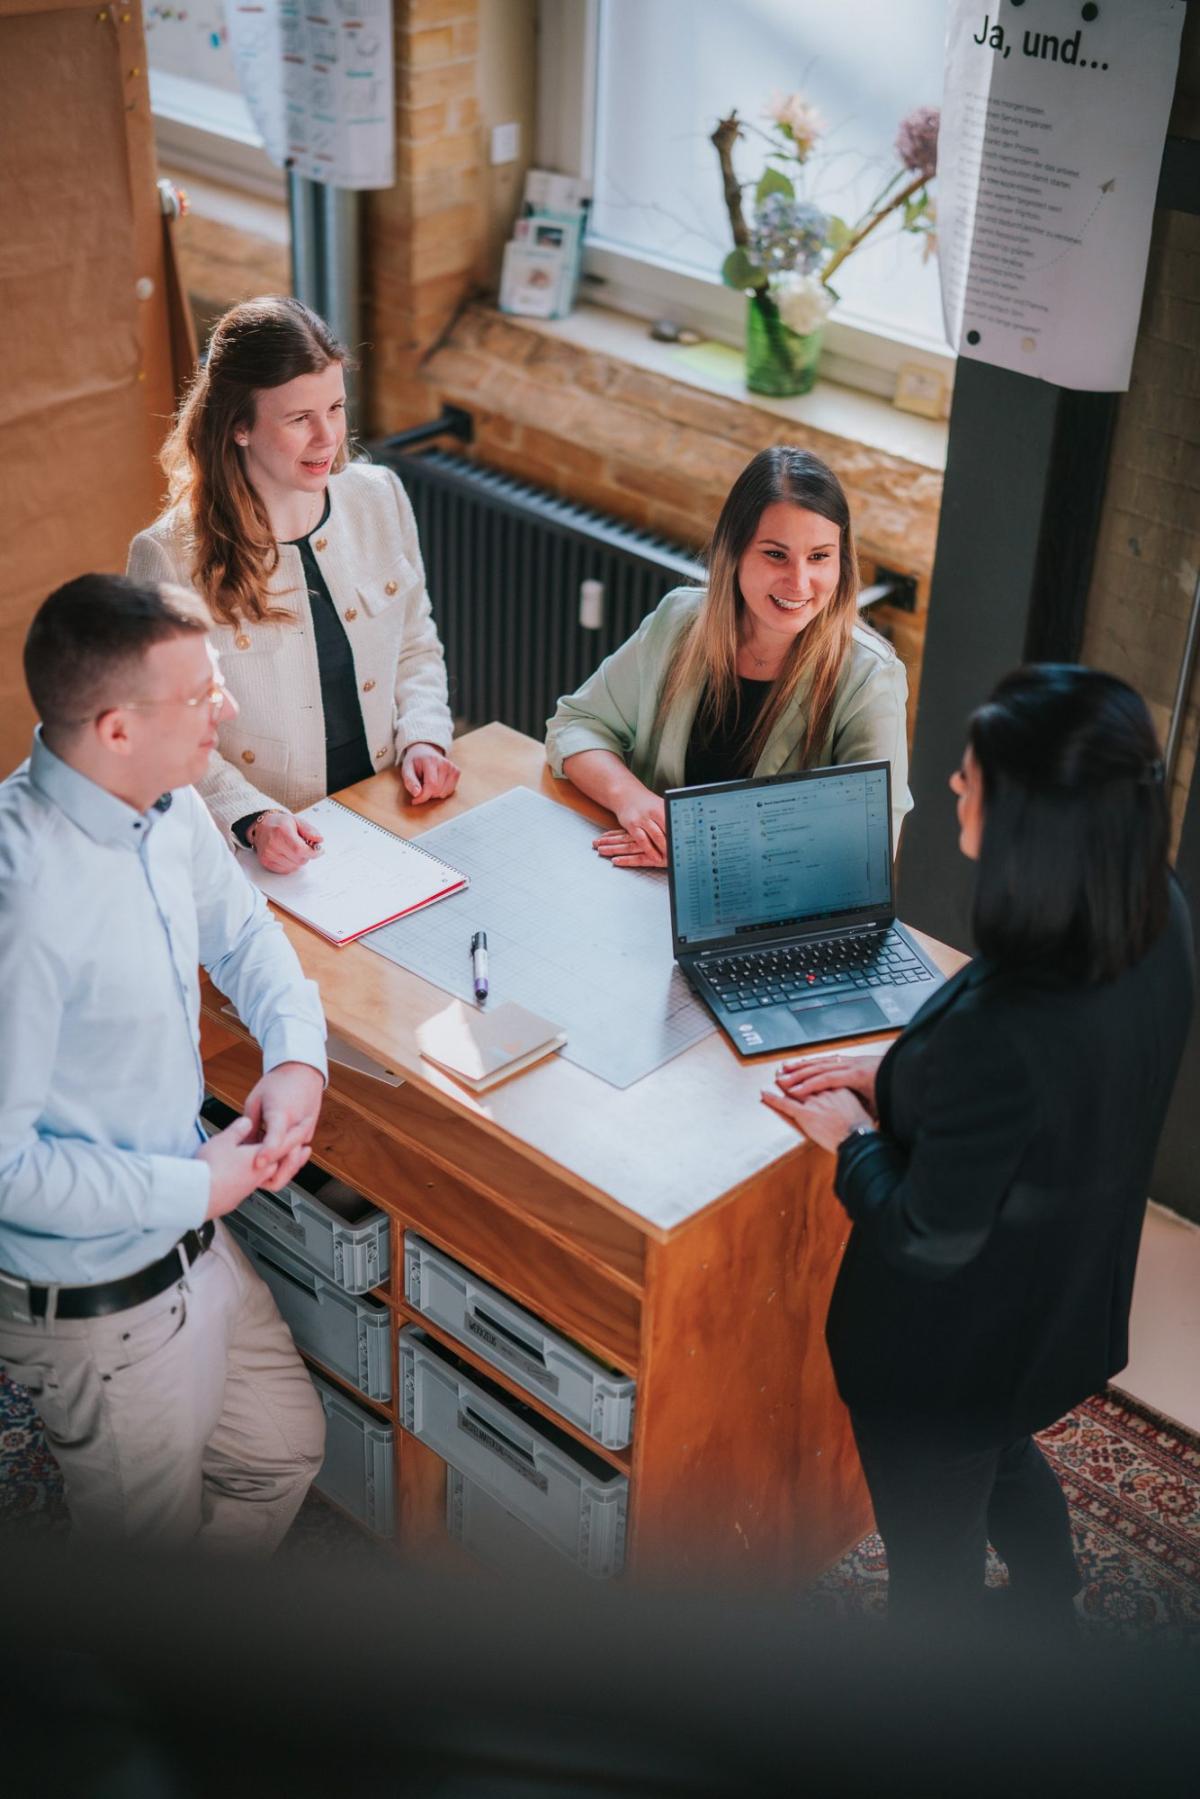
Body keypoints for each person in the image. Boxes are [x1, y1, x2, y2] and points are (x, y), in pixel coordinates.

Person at [763, 665, 1194, 1632]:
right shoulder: (1158, 914)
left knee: (933, 1570)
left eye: (974, 777)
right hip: (1061, 1305)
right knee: (1005, 1452)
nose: (956, 783)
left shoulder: (1009, 1025)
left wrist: (852, 1134)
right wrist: (908, 1073)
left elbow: (926, 1234)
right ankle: (1054, 1601)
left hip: (945, 1362)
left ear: (1033, 821)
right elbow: (1060, 1100)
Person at [0, 573, 331, 1548]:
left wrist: (297, 1053)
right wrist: (198, 1184)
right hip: (104, 1304)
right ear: (114, 727)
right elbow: (7, 1169)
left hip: (196, 1240)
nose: (223, 708)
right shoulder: (22, 903)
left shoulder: (164, 797)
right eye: (200, 696)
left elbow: (243, 930)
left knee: (282, 1446)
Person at [128, 295, 458, 875]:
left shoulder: (380, 496)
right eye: (299, 418)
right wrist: (252, 817)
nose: (327, 436)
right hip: (272, 849)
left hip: (390, 808)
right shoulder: (165, 555)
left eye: (335, 407)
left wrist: (425, 737)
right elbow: (166, 723)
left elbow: (414, 642)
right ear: (239, 427)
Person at [545, 445, 911, 866]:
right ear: (733, 553)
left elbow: (866, 845)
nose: (799, 581)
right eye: (775, 554)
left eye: (819, 557)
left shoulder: (870, 677)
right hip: (645, 881)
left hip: (773, 912)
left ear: (841, 563)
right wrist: (630, 798)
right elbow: (576, 725)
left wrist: (703, 854)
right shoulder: (678, 619)